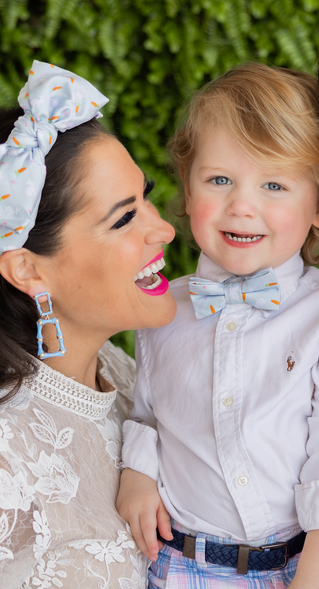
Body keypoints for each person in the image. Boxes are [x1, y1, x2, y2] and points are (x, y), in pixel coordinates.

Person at [0, 60, 177, 588]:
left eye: (145, 197)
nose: (166, 230)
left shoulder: (122, 372)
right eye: (124, 217)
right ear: (27, 269)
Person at [116, 62, 319, 588]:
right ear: (187, 189)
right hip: (182, 564)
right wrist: (138, 472)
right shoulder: (162, 307)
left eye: (275, 184)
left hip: (302, 565)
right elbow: (147, 412)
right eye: (220, 179)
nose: (243, 205)